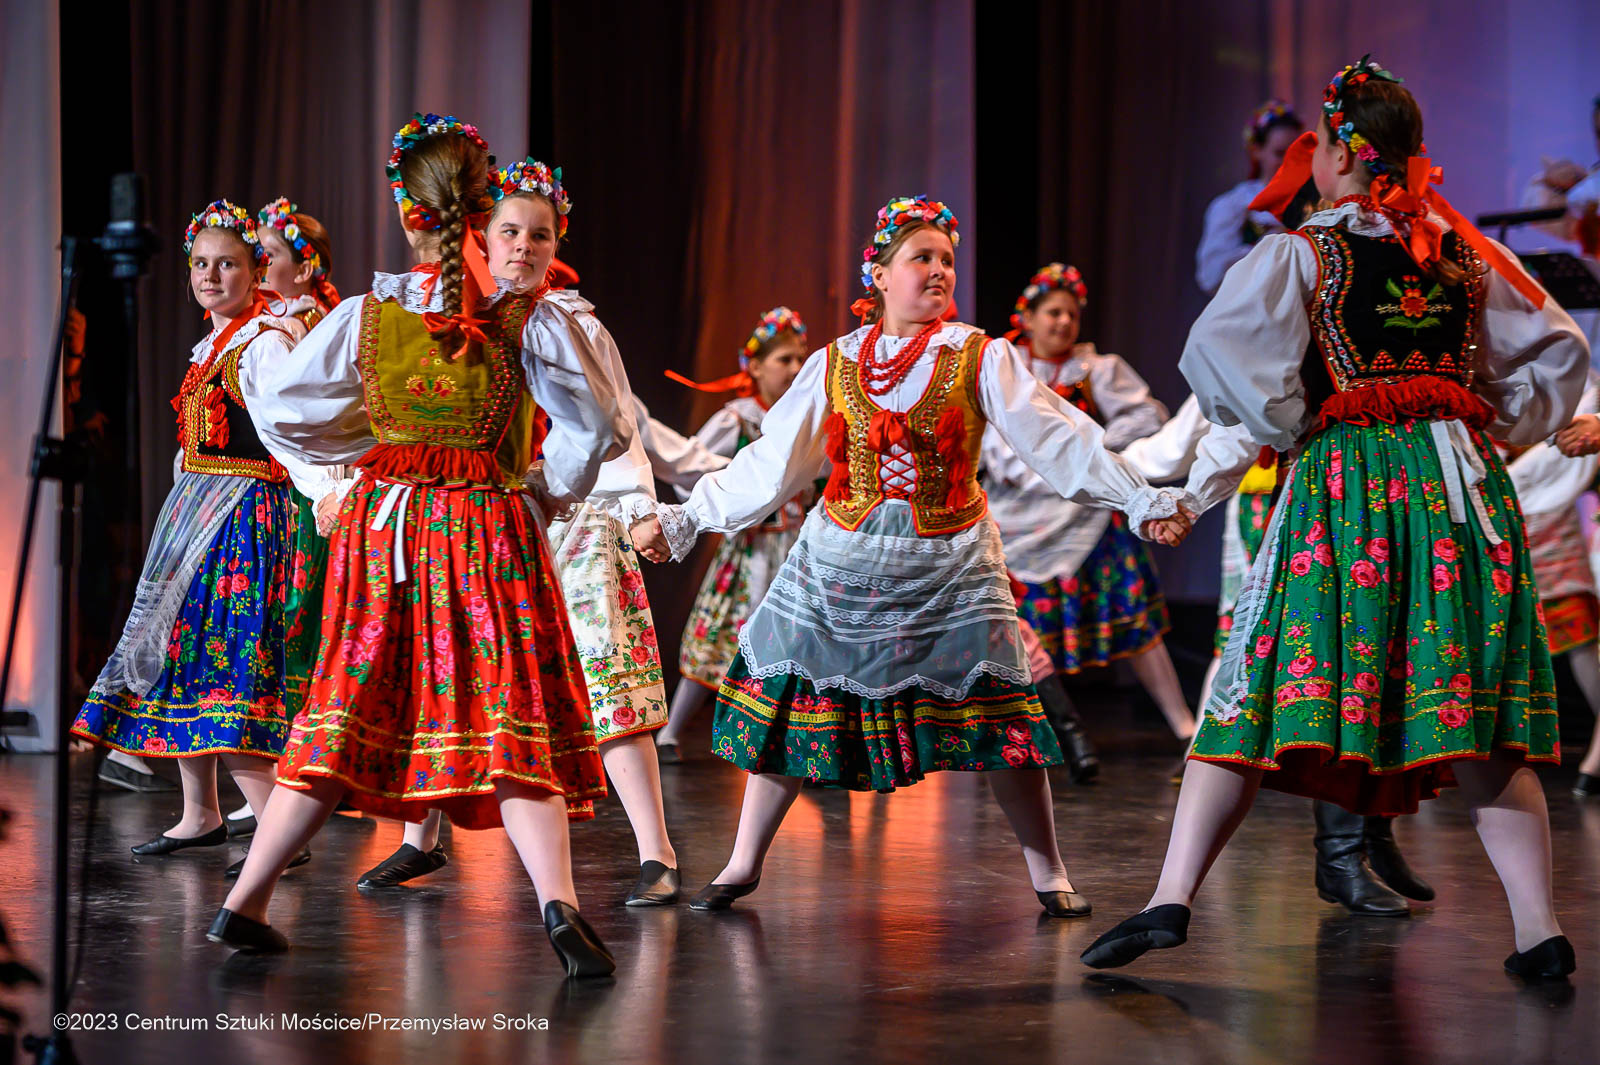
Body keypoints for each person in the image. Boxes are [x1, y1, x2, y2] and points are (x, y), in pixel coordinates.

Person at [1081, 58, 1590, 981]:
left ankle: (1170, 897)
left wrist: (1290, 425)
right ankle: (1538, 929)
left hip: (1348, 492)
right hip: (1459, 495)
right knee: (1475, 713)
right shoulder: (1462, 252)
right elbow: (1560, 349)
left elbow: (1222, 360)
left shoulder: (1304, 254)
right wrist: (1487, 414)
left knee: (1254, 685)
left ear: (1345, 153)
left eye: (1316, 146)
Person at [653, 195, 1192, 918]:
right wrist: (689, 517)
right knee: (795, 699)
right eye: (921, 258)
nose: (939, 270)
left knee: (1003, 713)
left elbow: (1060, 439)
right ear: (879, 273)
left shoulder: (979, 354)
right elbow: (773, 463)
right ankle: (743, 861)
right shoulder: (835, 361)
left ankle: (1050, 871)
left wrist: (1140, 499)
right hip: (843, 555)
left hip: (949, 560)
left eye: (947, 259)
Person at [206, 115, 630, 979]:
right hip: (487, 525)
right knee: (510, 705)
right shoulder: (528, 319)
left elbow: (283, 408)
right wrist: (546, 485)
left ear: (408, 212)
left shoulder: (365, 317)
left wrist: (370, 448)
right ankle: (560, 904)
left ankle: (244, 898)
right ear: (481, 213)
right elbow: (600, 425)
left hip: (384, 529)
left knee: (344, 703)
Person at [71, 201, 341, 868]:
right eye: (201, 264)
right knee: (183, 653)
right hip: (198, 507)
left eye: (227, 265)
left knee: (224, 664)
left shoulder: (264, 342)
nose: (211, 276)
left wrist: (327, 491)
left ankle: (278, 828)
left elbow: (289, 430)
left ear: (256, 273)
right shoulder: (215, 344)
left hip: (243, 518)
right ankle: (200, 813)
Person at [983, 264, 1193, 748]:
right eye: (1053, 312)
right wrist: (1041, 470)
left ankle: (1183, 722)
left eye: (1071, 315)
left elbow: (1147, 415)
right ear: (1027, 318)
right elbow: (994, 441)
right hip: (1018, 517)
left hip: (1085, 516)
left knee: (1135, 619)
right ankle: (1021, 733)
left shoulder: (1096, 368)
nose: (1063, 322)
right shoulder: (1004, 368)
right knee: (1012, 629)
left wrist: (1093, 449)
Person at [656, 306, 811, 763]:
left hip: (796, 549)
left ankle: (796, 741)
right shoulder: (739, 419)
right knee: (719, 634)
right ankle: (671, 732)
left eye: (800, 359)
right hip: (750, 551)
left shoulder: (803, 418)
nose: (795, 368)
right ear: (755, 367)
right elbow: (690, 466)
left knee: (796, 642)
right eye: (784, 359)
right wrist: (730, 491)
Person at [1195, 101, 1305, 295]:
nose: (1289, 162)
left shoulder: (1314, 202)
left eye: (1296, 153)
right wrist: (1265, 245)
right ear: (1256, 151)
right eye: (1279, 153)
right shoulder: (1235, 205)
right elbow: (1210, 276)